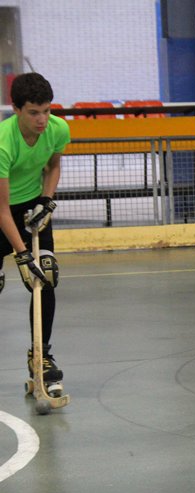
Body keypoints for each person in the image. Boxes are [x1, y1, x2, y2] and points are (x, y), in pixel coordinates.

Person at [0, 72, 70, 395]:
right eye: (33, 112)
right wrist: (22, 255)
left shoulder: (57, 129)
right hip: (2, 210)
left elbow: (53, 166)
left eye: (46, 110)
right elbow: (2, 210)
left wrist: (47, 200)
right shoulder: (4, 142)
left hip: (32, 207)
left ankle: (40, 356)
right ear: (16, 109)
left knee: (46, 276)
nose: (42, 120)